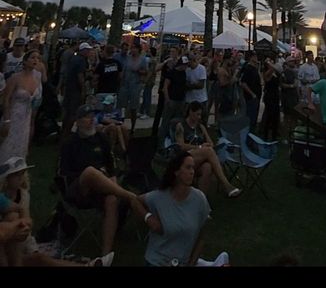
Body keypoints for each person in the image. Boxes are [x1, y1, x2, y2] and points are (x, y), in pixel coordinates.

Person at [0, 156, 114, 267]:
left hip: (16, 246)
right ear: (6, 179)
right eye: (16, 175)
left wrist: (24, 228)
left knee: (38, 257)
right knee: (12, 220)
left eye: (22, 174)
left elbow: (25, 219)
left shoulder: (22, 196)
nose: (20, 178)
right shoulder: (5, 196)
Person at [59, 104, 139, 256]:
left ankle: (105, 255)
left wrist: (111, 181)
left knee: (112, 200)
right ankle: (131, 197)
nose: (92, 120)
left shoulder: (101, 138)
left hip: (102, 188)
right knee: (90, 172)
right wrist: (94, 175)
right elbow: (64, 174)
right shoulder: (70, 143)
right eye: (87, 117)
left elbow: (111, 167)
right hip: (80, 188)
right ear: (78, 121)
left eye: (93, 117)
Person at [133, 151, 212, 267]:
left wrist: (191, 263)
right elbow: (135, 201)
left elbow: (202, 237)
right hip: (157, 261)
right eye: (188, 168)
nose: (192, 172)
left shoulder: (199, 199)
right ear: (176, 172)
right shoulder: (159, 197)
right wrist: (149, 218)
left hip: (182, 262)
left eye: (193, 168)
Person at [173, 101, 241, 198]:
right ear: (190, 112)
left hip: (198, 160)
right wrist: (200, 147)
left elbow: (211, 143)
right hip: (184, 158)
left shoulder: (200, 127)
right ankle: (226, 185)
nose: (199, 117)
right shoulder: (181, 126)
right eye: (197, 114)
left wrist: (206, 145)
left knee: (207, 167)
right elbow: (180, 145)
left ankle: (201, 201)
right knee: (208, 151)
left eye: (200, 115)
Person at [0, 50, 42, 162]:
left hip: (26, 117)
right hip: (14, 114)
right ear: (25, 60)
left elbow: (36, 101)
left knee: (21, 143)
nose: (35, 60)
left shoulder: (36, 80)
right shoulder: (15, 78)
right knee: (8, 143)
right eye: (32, 57)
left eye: (37, 58)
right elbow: (6, 99)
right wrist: (7, 120)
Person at [61, 41, 93, 138]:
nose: (89, 52)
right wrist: (83, 89)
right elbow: (80, 76)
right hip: (76, 90)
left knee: (67, 112)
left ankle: (63, 132)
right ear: (83, 50)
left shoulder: (73, 58)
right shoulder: (81, 60)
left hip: (69, 88)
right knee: (74, 112)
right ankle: (68, 133)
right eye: (87, 50)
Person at [159, 54, 188, 145]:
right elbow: (165, 87)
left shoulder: (184, 73)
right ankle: (161, 141)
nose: (186, 67)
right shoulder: (171, 73)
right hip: (172, 99)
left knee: (177, 121)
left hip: (180, 100)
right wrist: (167, 100)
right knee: (166, 122)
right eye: (185, 65)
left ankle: (174, 141)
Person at [119, 42, 148, 134]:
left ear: (138, 49)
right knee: (122, 105)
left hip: (135, 84)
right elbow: (123, 70)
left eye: (134, 48)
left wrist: (139, 71)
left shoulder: (142, 60)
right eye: (132, 48)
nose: (132, 50)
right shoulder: (128, 59)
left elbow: (146, 72)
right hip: (125, 84)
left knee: (133, 107)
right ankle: (120, 123)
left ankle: (133, 126)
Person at [240, 52, 262, 130]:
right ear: (251, 58)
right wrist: (252, 94)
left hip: (257, 96)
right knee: (250, 117)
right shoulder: (248, 68)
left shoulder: (255, 69)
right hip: (251, 97)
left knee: (254, 117)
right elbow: (243, 83)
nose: (256, 58)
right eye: (255, 56)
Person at [185, 50, 208, 122]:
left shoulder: (201, 68)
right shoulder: (187, 70)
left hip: (200, 99)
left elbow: (201, 85)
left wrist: (190, 85)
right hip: (189, 99)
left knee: (201, 120)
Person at [262, 57, 281, 141]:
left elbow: (278, 70)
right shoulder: (266, 73)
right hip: (269, 96)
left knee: (275, 116)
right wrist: (269, 63)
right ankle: (265, 135)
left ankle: (274, 135)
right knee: (269, 115)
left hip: (276, 95)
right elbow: (267, 77)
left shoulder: (276, 73)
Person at [281, 56, 299, 143]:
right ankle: (285, 137)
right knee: (287, 118)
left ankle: (293, 136)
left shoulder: (295, 72)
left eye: (294, 61)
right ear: (287, 62)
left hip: (294, 96)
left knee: (294, 117)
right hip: (287, 97)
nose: (293, 63)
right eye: (291, 61)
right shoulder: (285, 72)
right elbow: (282, 84)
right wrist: (291, 86)